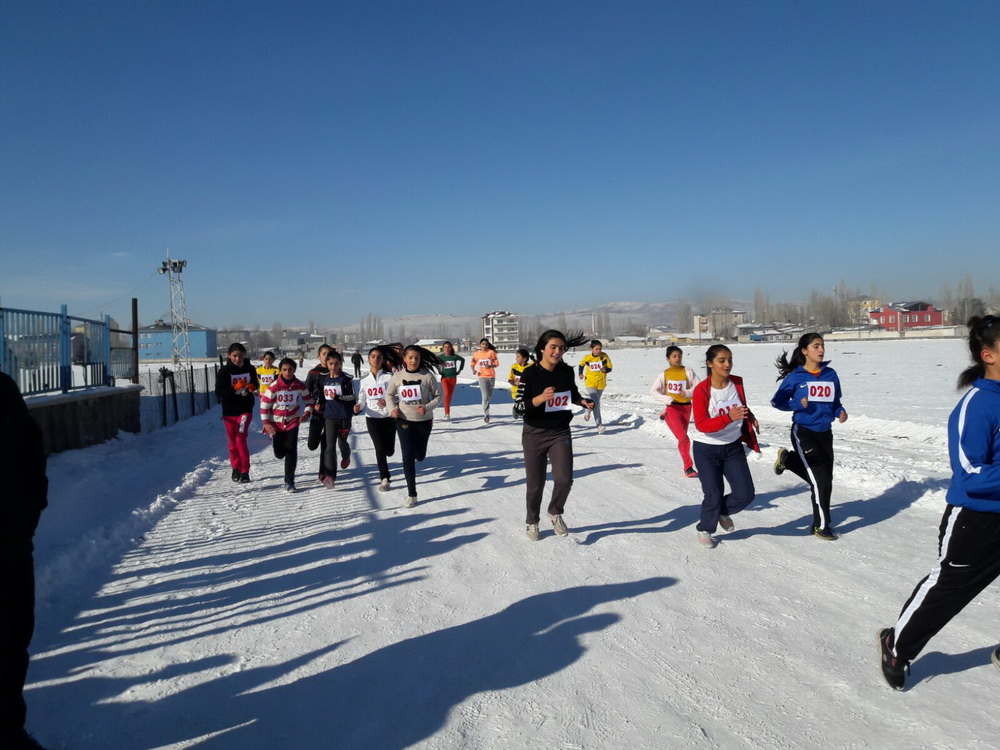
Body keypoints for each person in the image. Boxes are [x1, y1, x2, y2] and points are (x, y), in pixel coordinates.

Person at [879, 315, 1000, 690]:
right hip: (976, 520)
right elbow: (969, 474)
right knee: (947, 590)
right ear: (988, 355)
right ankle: (896, 646)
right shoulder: (977, 406)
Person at [1, 373, 49, 750]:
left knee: (12, 644)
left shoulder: (2, 390)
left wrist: (30, 515)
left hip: (12, 544)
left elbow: (33, 454)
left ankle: (9, 731)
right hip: (13, 542)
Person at [519, 330, 595, 541]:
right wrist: (540, 398)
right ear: (542, 348)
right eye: (553, 347)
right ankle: (532, 521)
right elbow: (517, 408)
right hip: (534, 433)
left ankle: (555, 512)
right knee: (535, 484)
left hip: (560, 431)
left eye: (561, 348)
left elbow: (573, 393)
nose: (557, 351)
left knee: (564, 479)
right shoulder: (529, 374)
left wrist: (583, 402)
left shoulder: (566, 372)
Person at [771, 333, 848, 541]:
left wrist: (839, 412)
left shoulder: (830, 374)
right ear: (805, 351)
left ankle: (788, 460)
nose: (821, 350)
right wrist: (795, 405)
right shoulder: (795, 377)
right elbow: (776, 402)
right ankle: (821, 526)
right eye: (816, 346)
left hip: (825, 433)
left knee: (825, 481)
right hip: (803, 432)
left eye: (822, 346)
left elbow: (835, 402)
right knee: (821, 480)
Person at [691, 344, 760, 549]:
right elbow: (702, 425)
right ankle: (705, 528)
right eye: (722, 360)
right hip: (707, 448)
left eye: (729, 360)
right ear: (710, 364)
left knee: (745, 493)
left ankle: (722, 512)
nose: (727, 364)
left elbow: (741, 405)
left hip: (733, 447)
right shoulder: (701, 390)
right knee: (713, 493)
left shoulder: (736, 383)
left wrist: (750, 416)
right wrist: (728, 418)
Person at [385, 346, 442, 508]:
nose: (413, 361)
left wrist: (427, 407)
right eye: (410, 357)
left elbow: (438, 396)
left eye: (416, 358)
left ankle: (420, 454)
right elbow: (389, 395)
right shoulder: (397, 376)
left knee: (420, 455)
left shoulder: (426, 376)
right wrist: (392, 409)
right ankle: (412, 494)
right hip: (404, 420)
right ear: (404, 359)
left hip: (424, 421)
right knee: (407, 456)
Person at [260, 357, 313, 492]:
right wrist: (266, 422)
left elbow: (308, 401)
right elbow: (264, 405)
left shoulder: (299, 385)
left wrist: (306, 413)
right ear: (280, 371)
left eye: (290, 369)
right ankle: (277, 445)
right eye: (284, 370)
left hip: (292, 421)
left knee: (291, 450)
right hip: (276, 423)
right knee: (279, 454)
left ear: (294, 370)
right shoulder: (274, 386)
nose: (287, 372)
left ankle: (289, 481)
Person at [649, 345, 701, 477]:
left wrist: (688, 392)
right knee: (683, 438)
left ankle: (664, 415)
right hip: (672, 408)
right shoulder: (664, 374)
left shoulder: (688, 372)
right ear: (668, 358)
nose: (677, 358)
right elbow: (653, 391)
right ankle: (688, 467)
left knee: (682, 437)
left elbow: (700, 387)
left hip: (686, 407)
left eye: (679, 356)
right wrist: (666, 398)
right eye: (674, 356)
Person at [215, 342, 259, 483]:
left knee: (240, 438)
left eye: (240, 356)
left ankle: (245, 471)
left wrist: (252, 388)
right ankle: (235, 468)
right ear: (229, 356)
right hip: (229, 411)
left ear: (244, 356)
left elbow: (254, 384)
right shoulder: (224, 372)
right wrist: (235, 388)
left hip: (245, 410)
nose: (237, 359)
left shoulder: (250, 368)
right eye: (234, 356)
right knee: (232, 443)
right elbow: (219, 392)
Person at [355, 347, 398, 492]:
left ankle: (389, 452)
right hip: (372, 417)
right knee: (379, 448)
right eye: (373, 356)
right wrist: (358, 406)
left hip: (388, 417)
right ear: (368, 359)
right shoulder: (364, 379)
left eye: (379, 356)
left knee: (389, 450)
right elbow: (362, 398)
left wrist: (388, 401)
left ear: (383, 360)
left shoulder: (389, 377)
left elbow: (398, 395)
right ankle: (384, 478)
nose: (376, 359)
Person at [313, 351, 356, 489]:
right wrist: (319, 403)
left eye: (336, 364)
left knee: (342, 442)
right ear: (326, 364)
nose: (333, 367)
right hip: (329, 416)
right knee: (329, 447)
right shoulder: (323, 378)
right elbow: (320, 393)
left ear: (340, 364)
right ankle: (330, 476)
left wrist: (337, 397)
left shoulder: (347, 379)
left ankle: (346, 454)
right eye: (331, 364)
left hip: (344, 416)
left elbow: (352, 398)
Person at [305, 344, 333, 483]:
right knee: (312, 444)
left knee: (326, 445)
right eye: (323, 353)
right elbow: (305, 392)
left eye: (329, 353)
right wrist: (311, 404)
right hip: (317, 414)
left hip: (331, 414)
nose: (326, 356)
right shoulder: (313, 373)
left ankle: (324, 472)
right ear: (319, 356)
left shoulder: (335, 373)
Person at [577, 339, 613, 433]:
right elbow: (581, 365)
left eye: (600, 349)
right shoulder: (587, 357)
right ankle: (599, 425)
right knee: (596, 403)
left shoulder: (604, 356)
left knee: (594, 402)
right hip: (590, 382)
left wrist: (605, 370)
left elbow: (610, 367)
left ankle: (588, 409)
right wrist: (580, 373)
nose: (599, 351)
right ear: (591, 349)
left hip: (601, 383)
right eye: (596, 349)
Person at [471, 338, 498, 423]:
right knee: (485, 396)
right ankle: (486, 414)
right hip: (482, 376)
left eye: (486, 344)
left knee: (489, 397)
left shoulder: (491, 353)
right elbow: (472, 363)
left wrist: (490, 366)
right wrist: (473, 370)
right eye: (483, 344)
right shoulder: (477, 354)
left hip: (491, 377)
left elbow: (497, 363)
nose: (485, 346)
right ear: (480, 345)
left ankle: (485, 406)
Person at [439, 341, 465, 421]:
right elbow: (435, 362)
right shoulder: (441, 357)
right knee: (446, 394)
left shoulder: (454, 357)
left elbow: (462, 360)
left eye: (448, 347)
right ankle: (446, 413)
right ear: (443, 348)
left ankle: (447, 412)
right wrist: (439, 370)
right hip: (444, 378)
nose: (447, 349)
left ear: (451, 348)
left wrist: (460, 370)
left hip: (453, 378)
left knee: (449, 396)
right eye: (445, 347)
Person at [507, 348, 533, 420]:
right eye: (516, 356)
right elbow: (510, 379)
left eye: (518, 357)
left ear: (524, 358)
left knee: (526, 407)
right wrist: (514, 383)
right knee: (519, 408)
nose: (516, 358)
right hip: (516, 392)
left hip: (527, 391)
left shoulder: (530, 367)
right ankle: (515, 409)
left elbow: (539, 363)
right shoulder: (514, 366)